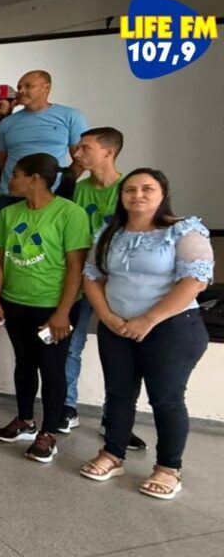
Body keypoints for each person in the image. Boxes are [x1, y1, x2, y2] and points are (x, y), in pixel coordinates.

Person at [78, 169, 213, 501]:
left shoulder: (184, 230)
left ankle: (168, 468)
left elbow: (194, 282)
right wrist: (108, 317)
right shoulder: (109, 232)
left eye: (147, 189)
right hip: (117, 327)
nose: (137, 195)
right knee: (118, 394)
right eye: (130, 190)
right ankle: (113, 454)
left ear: (162, 193)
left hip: (172, 329)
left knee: (166, 398)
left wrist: (148, 320)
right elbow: (91, 277)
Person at [0, 153, 89, 463]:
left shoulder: (70, 214)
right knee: (24, 363)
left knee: (52, 368)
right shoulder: (8, 213)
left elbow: (76, 267)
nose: (10, 180)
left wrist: (62, 313)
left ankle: (49, 432)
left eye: (15, 174)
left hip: (52, 309)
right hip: (16, 304)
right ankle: (25, 420)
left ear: (35, 179)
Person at [63, 127, 132, 436]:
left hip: (119, 283)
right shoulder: (78, 190)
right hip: (81, 279)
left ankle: (115, 420)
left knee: (120, 353)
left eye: (84, 148)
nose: (77, 154)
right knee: (70, 345)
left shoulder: (129, 189)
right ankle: (67, 407)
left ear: (108, 151)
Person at [0, 71, 89, 211]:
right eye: (19, 87)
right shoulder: (6, 123)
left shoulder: (70, 116)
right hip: (11, 195)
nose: (21, 91)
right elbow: (2, 161)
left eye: (28, 86)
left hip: (53, 194)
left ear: (46, 87)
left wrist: (64, 185)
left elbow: (81, 158)